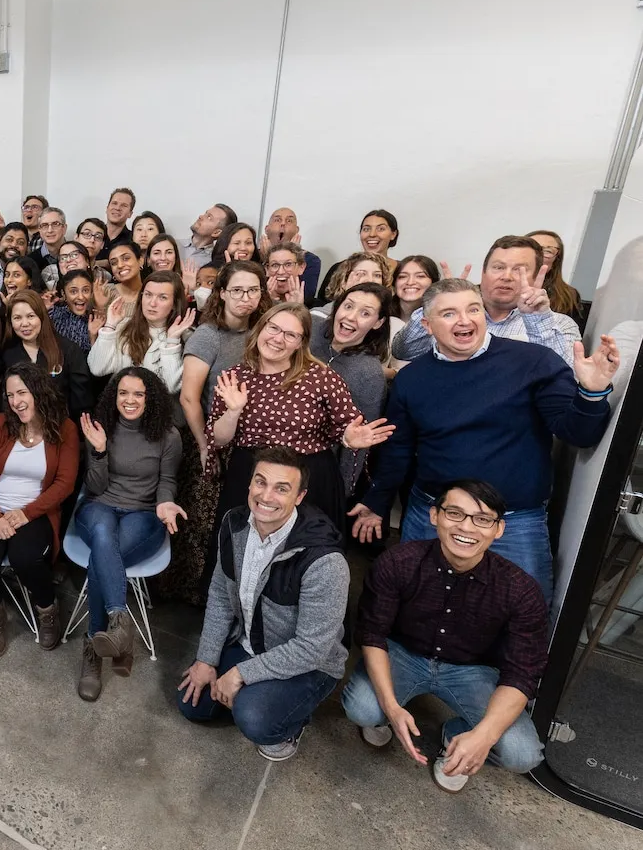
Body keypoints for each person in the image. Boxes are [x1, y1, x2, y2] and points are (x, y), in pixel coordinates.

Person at [349, 279, 619, 605]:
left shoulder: (535, 361)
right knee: (414, 606)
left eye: (472, 309)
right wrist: (377, 502)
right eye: (449, 313)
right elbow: (398, 449)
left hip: (514, 520)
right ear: (427, 325)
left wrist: (591, 392)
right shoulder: (412, 378)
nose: (465, 320)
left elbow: (579, 434)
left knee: (523, 615)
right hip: (433, 513)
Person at [342, 478, 548, 791]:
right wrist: (391, 707)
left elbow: (523, 673)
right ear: (435, 515)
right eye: (455, 514)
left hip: (472, 670)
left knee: (523, 754)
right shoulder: (398, 563)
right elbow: (372, 634)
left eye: (482, 520)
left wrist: (483, 737)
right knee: (364, 709)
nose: (466, 528)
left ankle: (455, 736)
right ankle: (385, 717)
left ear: (498, 529)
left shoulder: (520, 590)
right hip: (403, 653)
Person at [177, 448, 349, 760]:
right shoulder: (235, 523)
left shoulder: (324, 560)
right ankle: (255, 697)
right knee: (191, 703)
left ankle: (288, 719)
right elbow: (219, 594)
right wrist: (206, 659)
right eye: (260, 482)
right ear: (249, 484)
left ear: (299, 496)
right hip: (250, 642)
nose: (266, 496)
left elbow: (312, 648)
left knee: (255, 719)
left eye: (282, 488)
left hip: (309, 664)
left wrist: (240, 674)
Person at [207, 303, 393, 523]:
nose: (278, 339)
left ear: (300, 343)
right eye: (273, 328)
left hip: (309, 478)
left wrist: (348, 438)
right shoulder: (233, 377)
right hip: (253, 475)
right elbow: (218, 439)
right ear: (260, 329)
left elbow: (346, 427)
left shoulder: (322, 376)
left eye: (290, 335)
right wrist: (233, 412)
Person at [75, 366, 186, 700]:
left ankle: (97, 642)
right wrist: (98, 451)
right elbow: (94, 486)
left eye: (138, 393)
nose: (130, 400)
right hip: (99, 506)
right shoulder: (100, 428)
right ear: (114, 396)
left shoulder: (169, 436)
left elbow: (166, 481)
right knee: (104, 536)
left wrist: (165, 503)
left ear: (150, 398)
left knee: (103, 555)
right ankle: (117, 623)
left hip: (142, 512)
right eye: (123, 392)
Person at [0, 364, 79, 656]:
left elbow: (65, 483)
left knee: (25, 559)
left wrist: (27, 513)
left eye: (22, 392)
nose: (16, 401)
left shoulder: (64, 428)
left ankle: (47, 609)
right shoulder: (0, 424)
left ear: (39, 391)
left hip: (35, 511)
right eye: (10, 394)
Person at [173, 263, 270, 600]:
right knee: (203, 523)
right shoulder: (208, 335)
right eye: (238, 290)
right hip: (209, 439)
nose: (246, 298)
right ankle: (195, 595)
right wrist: (205, 446)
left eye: (253, 290)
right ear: (223, 293)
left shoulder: (263, 331)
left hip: (251, 441)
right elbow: (189, 397)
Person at [393, 236, 582, 365]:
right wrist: (437, 302)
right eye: (498, 267)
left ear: (535, 277)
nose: (506, 277)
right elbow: (404, 351)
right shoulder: (452, 317)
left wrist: (537, 321)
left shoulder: (558, 324)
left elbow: (567, 377)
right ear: (483, 273)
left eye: (519, 270)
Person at [308, 282, 392, 516]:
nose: (351, 317)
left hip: (320, 465)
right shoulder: (311, 331)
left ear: (378, 323)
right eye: (348, 306)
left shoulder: (368, 373)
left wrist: (340, 492)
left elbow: (360, 442)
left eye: (365, 313)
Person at [88, 270, 195, 389]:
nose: (152, 303)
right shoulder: (123, 327)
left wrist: (172, 341)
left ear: (175, 304)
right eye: (148, 294)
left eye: (162, 297)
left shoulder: (187, 336)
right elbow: (97, 368)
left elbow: (171, 387)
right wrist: (110, 325)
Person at [1, 290, 92, 418]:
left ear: (42, 316)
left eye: (31, 316)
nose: (25, 324)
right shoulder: (8, 355)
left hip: (62, 427)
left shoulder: (68, 350)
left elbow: (81, 401)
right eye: (17, 318)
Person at [526, 229, 586, 329]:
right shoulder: (500, 283)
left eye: (547, 251)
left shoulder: (567, 296)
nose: (538, 256)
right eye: (531, 249)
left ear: (556, 261)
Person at [48, 269, 98, 353]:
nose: (81, 297)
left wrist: (93, 337)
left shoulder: (97, 319)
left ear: (92, 293)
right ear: (63, 294)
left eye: (85, 290)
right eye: (73, 291)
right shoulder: (53, 315)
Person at [184, 204, 237, 270]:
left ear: (216, 232)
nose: (201, 216)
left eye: (209, 217)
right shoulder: (173, 245)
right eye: (205, 213)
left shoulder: (215, 262)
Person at [393, 254, 440, 323]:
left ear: (433, 282)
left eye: (420, 276)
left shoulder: (439, 319)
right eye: (403, 276)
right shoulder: (381, 315)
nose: (410, 282)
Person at [32, 208, 68, 274]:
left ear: (64, 228)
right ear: (39, 230)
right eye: (44, 225)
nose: (50, 230)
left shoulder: (76, 257)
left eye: (55, 224)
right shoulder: (31, 261)